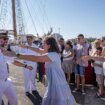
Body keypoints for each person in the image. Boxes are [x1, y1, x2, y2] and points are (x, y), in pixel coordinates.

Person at [15, 37, 76, 105]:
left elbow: (36, 58)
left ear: (49, 46)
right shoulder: (51, 52)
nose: (42, 45)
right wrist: (27, 47)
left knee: (58, 100)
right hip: (53, 81)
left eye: (44, 43)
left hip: (56, 81)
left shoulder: (53, 55)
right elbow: (38, 50)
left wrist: (19, 55)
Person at [0, 34, 34, 105]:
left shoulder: (4, 52)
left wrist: (25, 66)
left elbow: (13, 61)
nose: (6, 41)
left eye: (6, 39)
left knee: (14, 100)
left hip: (6, 81)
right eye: (3, 39)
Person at [11, 34, 42, 102]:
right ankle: (27, 90)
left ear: (32, 39)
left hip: (33, 64)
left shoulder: (35, 46)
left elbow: (38, 54)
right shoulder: (23, 46)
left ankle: (33, 89)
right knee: (27, 77)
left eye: (30, 38)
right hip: (26, 63)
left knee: (32, 77)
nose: (28, 40)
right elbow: (18, 53)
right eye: (27, 38)